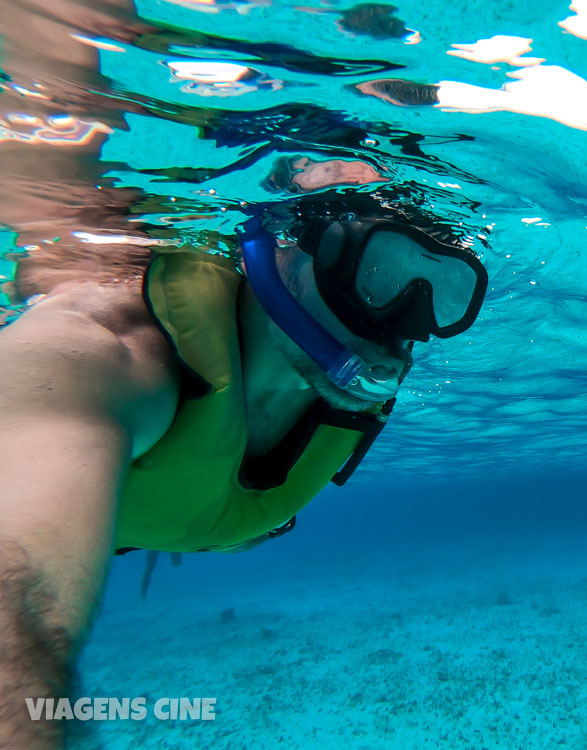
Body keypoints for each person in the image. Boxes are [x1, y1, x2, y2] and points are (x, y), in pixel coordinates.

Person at [0, 7, 490, 747]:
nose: (402, 318)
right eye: (379, 269)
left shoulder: (336, 362)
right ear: (288, 247)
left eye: (441, 290)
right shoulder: (109, 340)